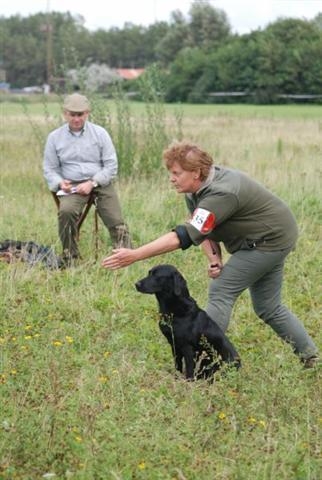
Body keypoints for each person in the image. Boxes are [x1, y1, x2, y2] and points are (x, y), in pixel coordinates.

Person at [102, 140, 319, 368]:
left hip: (270, 240)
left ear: (196, 172)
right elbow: (203, 227)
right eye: (170, 173)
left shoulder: (221, 193)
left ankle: (204, 359)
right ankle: (310, 357)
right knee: (268, 307)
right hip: (271, 235)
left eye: (176, 173)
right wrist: (214, 258)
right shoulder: (195, 190)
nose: (171, 178)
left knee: (221, 289)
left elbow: (185, 235)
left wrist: (135, 254)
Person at [43, 93, 131, 262]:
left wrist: (92, 182)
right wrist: (60, 182)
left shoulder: (100, 133)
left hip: (100, 181)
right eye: (72, 114)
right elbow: (50, 168)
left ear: (87, 113)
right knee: (66, 212)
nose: (76, 119)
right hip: (72, 185)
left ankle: (126, 256)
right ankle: (71, 256)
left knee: (116, 221)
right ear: (65, 113)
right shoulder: (54, 137)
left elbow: (111, 165)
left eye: (80, 114)